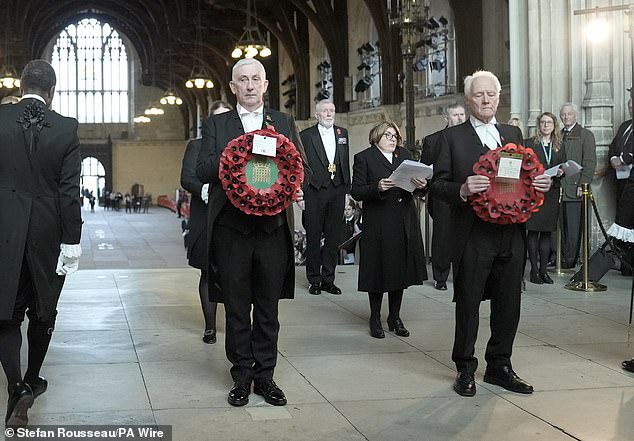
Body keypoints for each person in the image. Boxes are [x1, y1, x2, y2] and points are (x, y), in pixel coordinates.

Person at [196, 58, 309, 407]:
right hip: (232, 229)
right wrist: (234, 158)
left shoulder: (284, 121)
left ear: (265, 85)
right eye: (242, 80)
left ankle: (266, 377)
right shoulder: (217, 124)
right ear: (232, 87)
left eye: (255, 79)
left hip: (272, 230)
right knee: (235, 307)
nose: (249, 85)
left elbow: (298, 166)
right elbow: (201, 168)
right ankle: (241, 376)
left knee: (267, 308)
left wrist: (296, 187)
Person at [433, 70, 552, 397]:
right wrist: (462, 188)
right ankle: (465, 368)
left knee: (508, 303)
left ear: (499, 98)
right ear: (468, 99)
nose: (486, 100)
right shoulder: (451, 138)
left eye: (491, 94)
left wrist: (542, 183)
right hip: (473, 234)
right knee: (469, 303)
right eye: (479, 95)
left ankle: (500, 365)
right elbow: (436, 187)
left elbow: (529, 175)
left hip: (512, 233)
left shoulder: (512, 132)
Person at [0, 60, 82, 426]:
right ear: (52, 91)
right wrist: (72, 241)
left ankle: (16, 385)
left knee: (7, 309)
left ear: (21, 86)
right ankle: (33, 377)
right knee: (42, 309)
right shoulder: (65, 128)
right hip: (48, 232)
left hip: (5, 228)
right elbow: (69, 192)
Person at [351, 121, 428, 339]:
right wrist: (377, 187)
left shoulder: (404, 155)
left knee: (399, 270)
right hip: (379, 221)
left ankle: (395, 316)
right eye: (388, 135)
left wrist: (422, 184)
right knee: (377, 271)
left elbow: (419, 185)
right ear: (376, 138)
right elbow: (356, 191)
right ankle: (375, 318)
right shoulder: (364, 157)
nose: (393, 139)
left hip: (403, 218)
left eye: (395, 136)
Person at [180, 101, 233, 345]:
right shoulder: (197, 146)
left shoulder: (241, 147)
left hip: (234, 217)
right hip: (206, 215)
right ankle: (210, 326)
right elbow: (187, 177)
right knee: (207, 272)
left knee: (235, 273)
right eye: (217, 119)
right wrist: (205, 191)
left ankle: (236, 323)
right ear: (210, 122)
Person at [300, 100, 350, 295]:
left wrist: (346, 191)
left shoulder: (342, 133)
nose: (329, 114)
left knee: (333, 237)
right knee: (313, 236)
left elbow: (344, 161)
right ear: (317, 115)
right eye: (325, 111)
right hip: (314, 190)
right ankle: (314, 279)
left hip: (337, 189)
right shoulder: (306, 135)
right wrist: (301, 192)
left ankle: (329, 279)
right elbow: (301, 165)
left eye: (332, 110)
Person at [421, 103, 466, 290]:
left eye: (462, 114)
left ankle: (463, 275)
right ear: (446, 118)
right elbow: (423, 169)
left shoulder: (472, 138)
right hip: (443, 194)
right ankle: (440, 276)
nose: (460, 118)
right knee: (442, 236)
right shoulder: (433, 140)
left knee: (466, 235)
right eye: (455, 114)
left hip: (467, 193)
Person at [524, 112, 565, 284]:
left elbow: (563, 163)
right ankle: (533, 270)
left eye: (549, 122)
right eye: (543, 122)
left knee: (547, 233)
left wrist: (561, 172)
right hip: (534, 191)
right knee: (533, 232)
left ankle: (543, 271)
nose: (546, 125)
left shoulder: (559, 145)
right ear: (538, 125)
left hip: (551, 192)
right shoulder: (529, 143)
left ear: (554, 125)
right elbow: (524, 166)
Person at [559, 103, 597, 268]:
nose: (566, 117)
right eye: (563, 115)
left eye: (569, 114)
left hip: (576, 188)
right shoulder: (558, 135)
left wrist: (584, 185)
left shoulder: (585, 135)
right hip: (560, 187)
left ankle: (570, 260)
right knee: (560, 227)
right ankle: (560, 257)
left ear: (575, 115)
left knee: (574, 228)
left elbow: (589, 163)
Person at [607, 98, 633, 205]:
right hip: (621, 177)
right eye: (630, 107)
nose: (631, 110)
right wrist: (613, 158)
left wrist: (622, 160)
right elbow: (613, 145)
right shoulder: (625, 125)